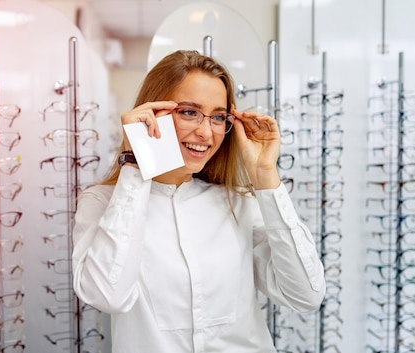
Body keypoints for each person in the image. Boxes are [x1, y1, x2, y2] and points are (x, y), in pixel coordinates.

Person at [72, 50, 325, 352]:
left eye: (218, 117)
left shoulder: (238, 203)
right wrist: (136, 163)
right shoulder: (101, 203)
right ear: (151, 113)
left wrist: (265, 175)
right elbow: (107, 295)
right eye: (189, 112)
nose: (206, 132)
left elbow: (306, 294)